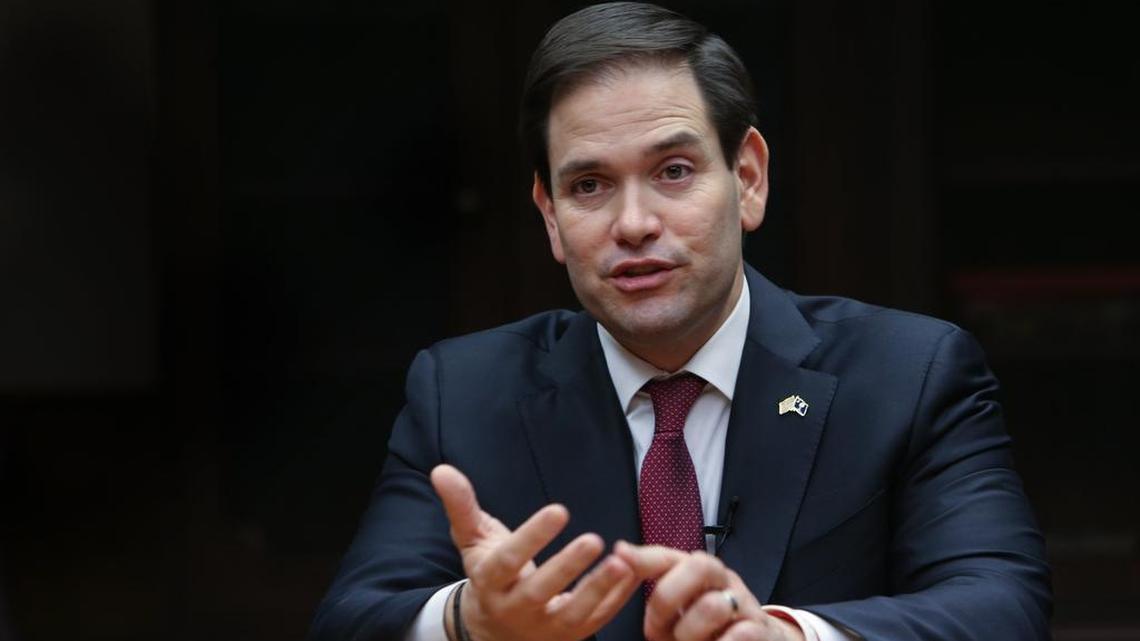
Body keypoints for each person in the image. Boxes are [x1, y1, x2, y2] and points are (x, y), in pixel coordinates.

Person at [308, 3, 1051, 640]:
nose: (633, 224)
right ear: (551, 217)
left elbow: (1003, 606)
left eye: (673, 171)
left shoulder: (910, 373)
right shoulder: (462, 392)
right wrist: (475, 620)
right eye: (590, 184)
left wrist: (783, 633)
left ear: (748, 178)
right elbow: (354, 615)